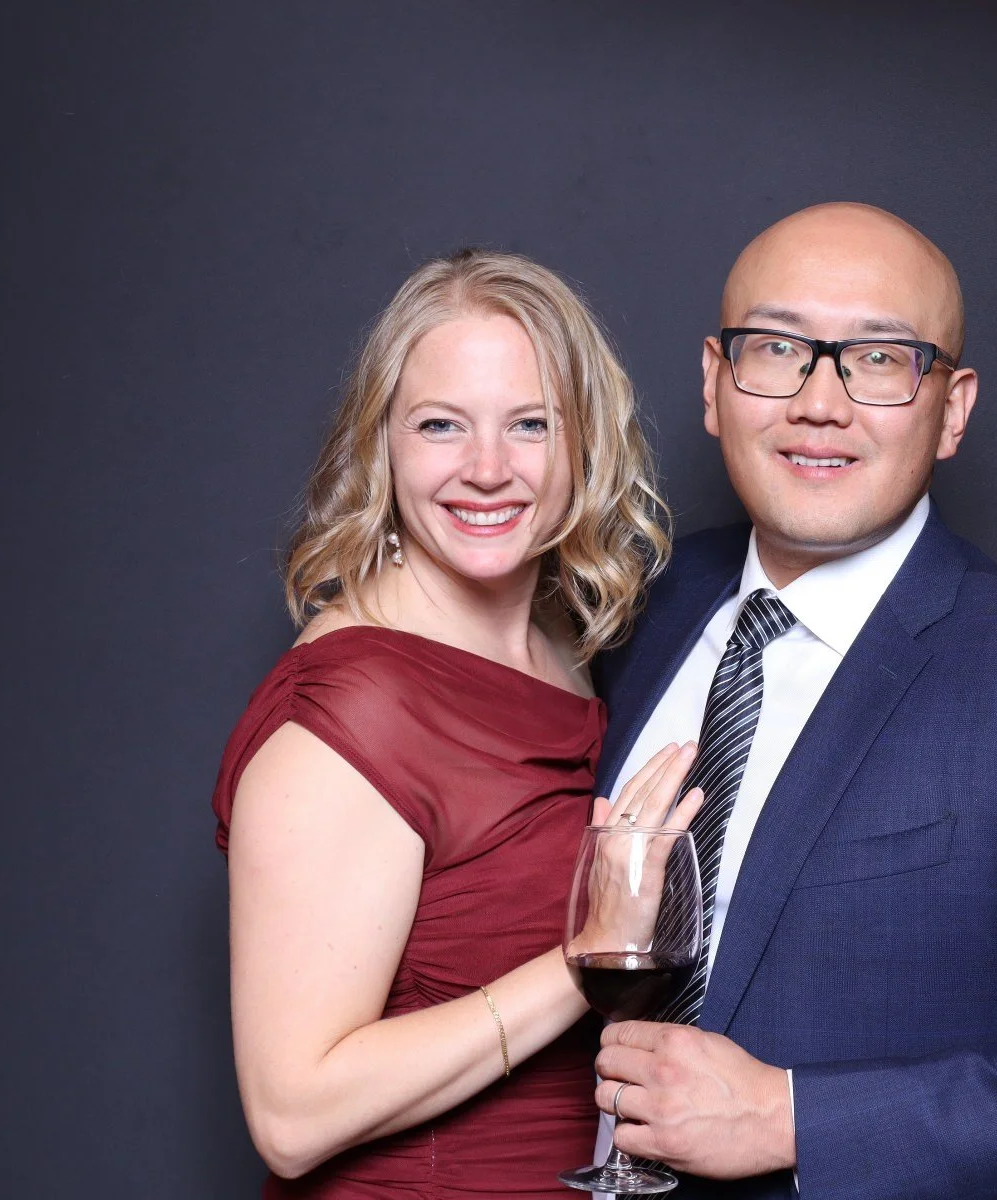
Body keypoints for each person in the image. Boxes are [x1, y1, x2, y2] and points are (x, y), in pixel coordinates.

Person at [586, 204, 997, 1198]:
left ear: (952, 409)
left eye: (880, 360)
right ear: (713, 385)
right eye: (777, 349)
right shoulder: (638, 609)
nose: (821, 402)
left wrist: (794, 1118)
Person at [211, 249, 704, 1198]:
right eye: (441, 426)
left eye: (530, 425)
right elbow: (290, 1114)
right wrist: (588, 959)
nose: (487, 470)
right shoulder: (352, 710)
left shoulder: (561, 646)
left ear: (584, 447)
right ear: (382, 445)